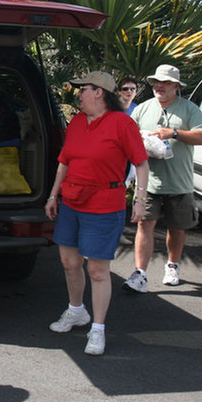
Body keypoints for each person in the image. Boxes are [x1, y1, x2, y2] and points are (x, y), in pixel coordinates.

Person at [45, 71, 148, 356]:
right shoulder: (77, 122)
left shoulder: (122, 123)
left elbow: (141, 164)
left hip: (104, 204)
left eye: (83, 89)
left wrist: (139, 199)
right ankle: (76, 311)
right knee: (68, 261)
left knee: (98, 270)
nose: (77, 94)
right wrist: (54, 195)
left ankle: (98, 329)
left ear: (100, 92)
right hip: (72, 201)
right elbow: (64, 162)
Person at [124, 64, 202, 292]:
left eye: (164, 83)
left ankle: (172, 265)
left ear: (175, 86)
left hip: (179, 183)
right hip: (149, 182)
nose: (158, 86)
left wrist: (173, 133)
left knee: (176, 227)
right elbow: (127, 136)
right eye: (156, 82)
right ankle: (140, 274)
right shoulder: (143, 109)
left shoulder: (189, 109)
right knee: (145, 224)